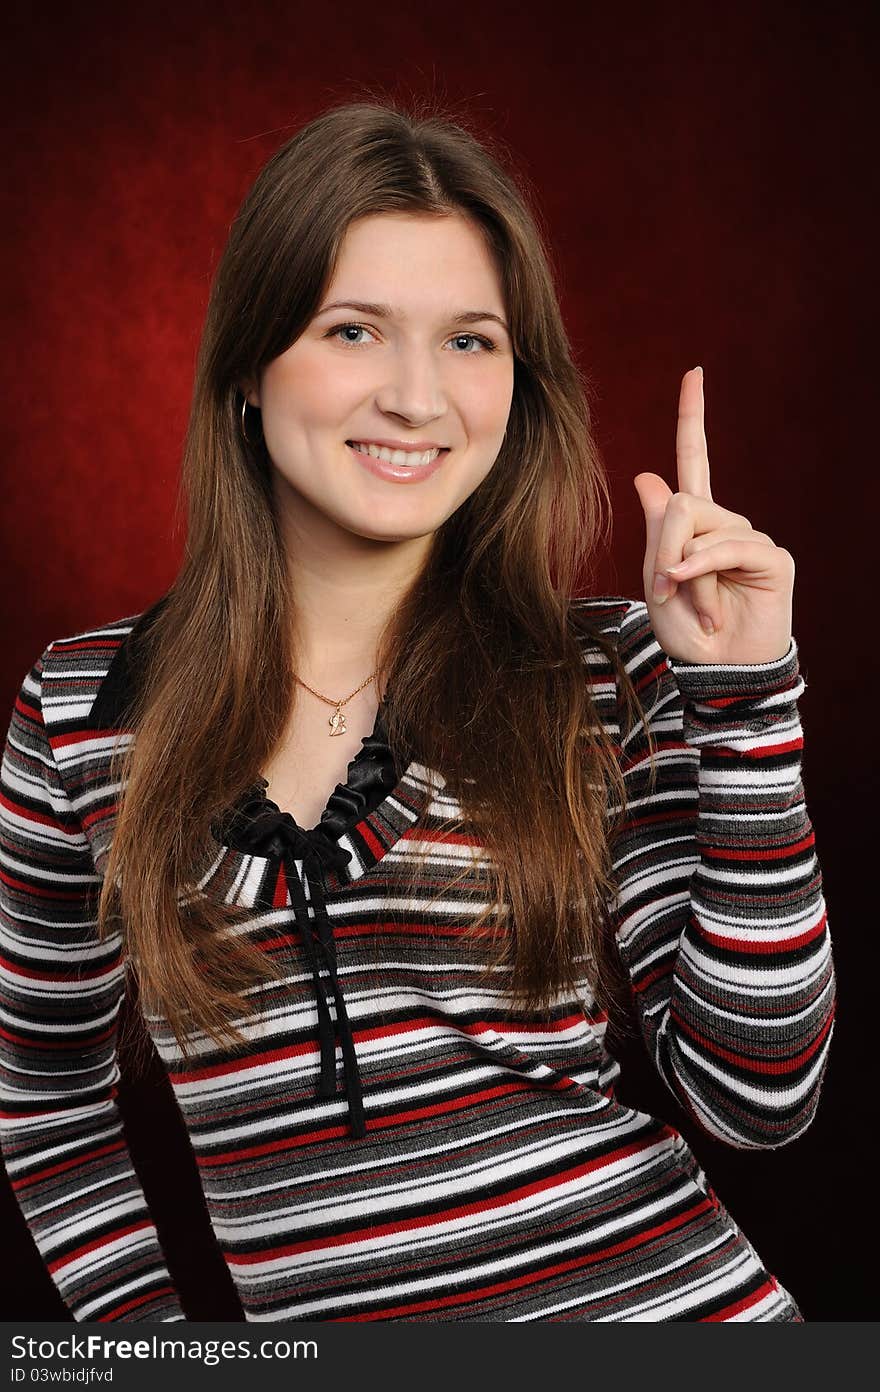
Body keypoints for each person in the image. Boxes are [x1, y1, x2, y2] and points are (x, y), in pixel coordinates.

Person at [0, 99, 834, 1324]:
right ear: (247, 361)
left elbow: (757, 1099)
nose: (415, 397)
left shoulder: (605, 676)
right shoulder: (81, 714)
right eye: (353, 329)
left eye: (469, 342)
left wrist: (748, 702)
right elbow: (49, 1103)